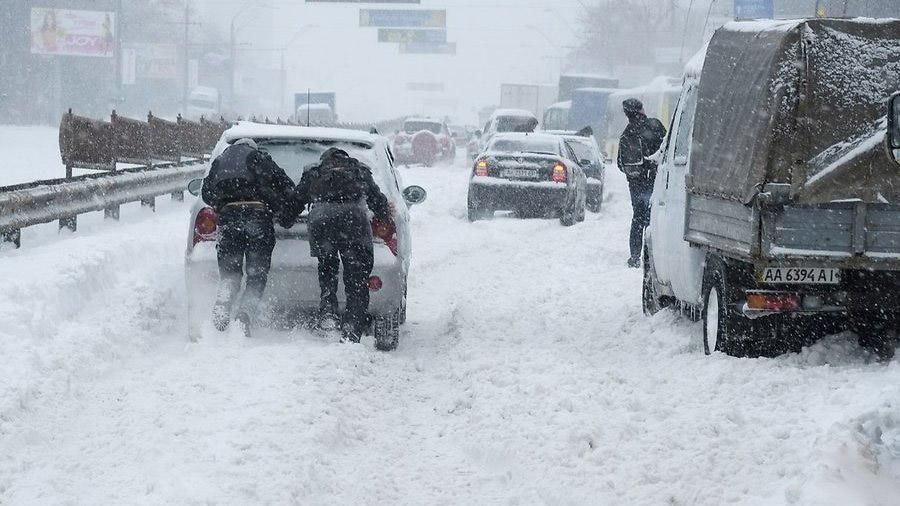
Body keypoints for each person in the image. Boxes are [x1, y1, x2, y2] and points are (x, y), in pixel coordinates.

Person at [293, 148, 393, 342]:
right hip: (354, 224)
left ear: (325, 160)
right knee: (356, 279)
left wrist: (285, 217)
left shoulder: (314, 172)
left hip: (321, 223)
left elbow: (295, 202)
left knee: (327, 269)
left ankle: (328, 313)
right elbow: (378, 203)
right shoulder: (359, 171)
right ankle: (351, 327)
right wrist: (383, 213)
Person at [201, 138, 295, 336]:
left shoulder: (220, 160)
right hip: (258, 218)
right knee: (256, 274)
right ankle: (245, 315)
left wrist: (224, 201)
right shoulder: (261, 158)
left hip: (228, 218)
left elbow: (206, 194)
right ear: (253, 148)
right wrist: (280, 207)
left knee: (230, 272)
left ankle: (224, 299)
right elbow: (287, 185)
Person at [617, 98, 667, 268]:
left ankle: (635, 256)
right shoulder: (654, 125)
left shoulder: (626, 134)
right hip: (655, 179)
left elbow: (620, 164)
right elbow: (667, 148)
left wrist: (635, 175)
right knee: (654, 217)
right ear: (641, 110)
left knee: (638, 218)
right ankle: (655, 255)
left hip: (636, 183)